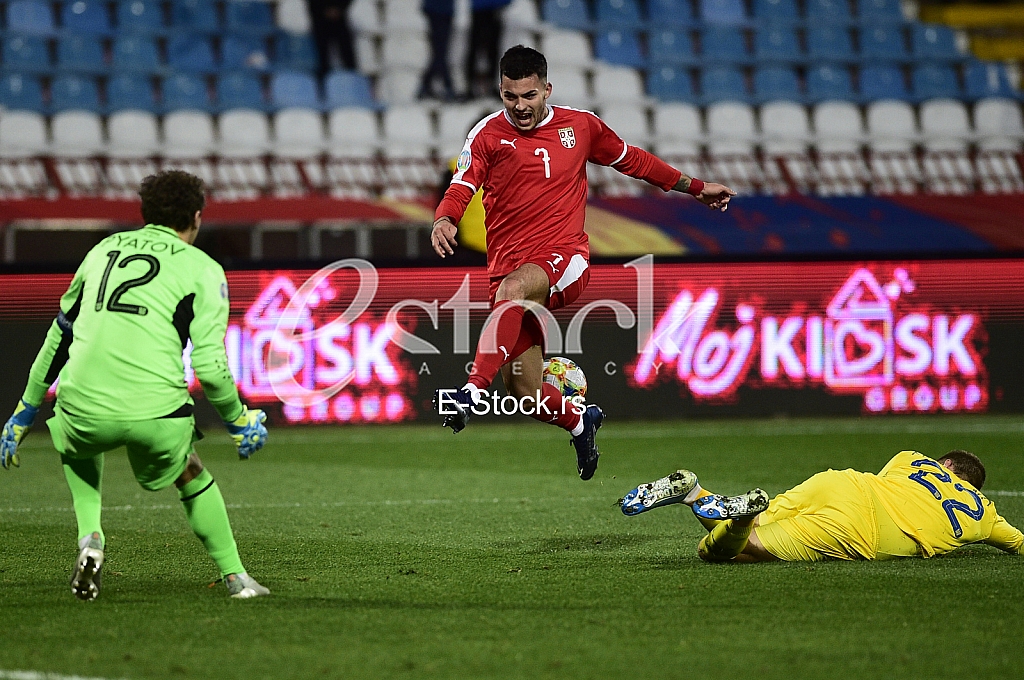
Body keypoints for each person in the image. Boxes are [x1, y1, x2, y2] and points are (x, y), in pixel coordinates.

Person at [430, 46, 736, 481]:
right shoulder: (485, 135)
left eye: (529, 96)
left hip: (564, 258)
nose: (520, 106)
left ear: (546, 89)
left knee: (513, 291)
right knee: (525, 391)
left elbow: (634, 160)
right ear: (500, 92)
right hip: (508, 277)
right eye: (510, 97)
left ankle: (469, 392)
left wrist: (695, 186)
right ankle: (580, 422)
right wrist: (445, 217)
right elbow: (462, 184)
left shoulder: (581, 126)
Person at [0, 171, 271, 601]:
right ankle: (236, 577)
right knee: (189, 470)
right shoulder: (203, 268)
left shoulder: (102, 250)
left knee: (78, 446)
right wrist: (239, 420)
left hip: (81, 404)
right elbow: (210, 364)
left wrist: (23, 412)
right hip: (156, 412)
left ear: (145, 213)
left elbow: (60, 335)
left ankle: (90, 536)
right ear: (196, 218)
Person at [619, 449, 1023, 562]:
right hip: (863, 528)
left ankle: (695, 492)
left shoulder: (912, 458)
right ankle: (736, 517)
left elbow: (888, 484)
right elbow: (1019, 543)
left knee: (763, 513)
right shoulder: (986, 515)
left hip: (842, 483)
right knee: (740, 550)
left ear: (946, 464)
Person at [463, 0, 511, 99]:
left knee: (489, 51)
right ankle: (472, 86)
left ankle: (487, 85)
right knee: (480, 50)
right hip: (484, 9)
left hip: (488, 9)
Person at [307, 0, 357, 81]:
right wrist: (324, 10)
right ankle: (322, 81)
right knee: (321, 55)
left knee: (347, 52)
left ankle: (353, 80)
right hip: (319, 20)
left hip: (340, 18)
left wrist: (339, 8)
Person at [418, 0, 457, 101]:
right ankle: (446, 85)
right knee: (440, 51)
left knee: (440, 51)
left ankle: (427, 85)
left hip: (442, 9)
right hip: (439, 9)